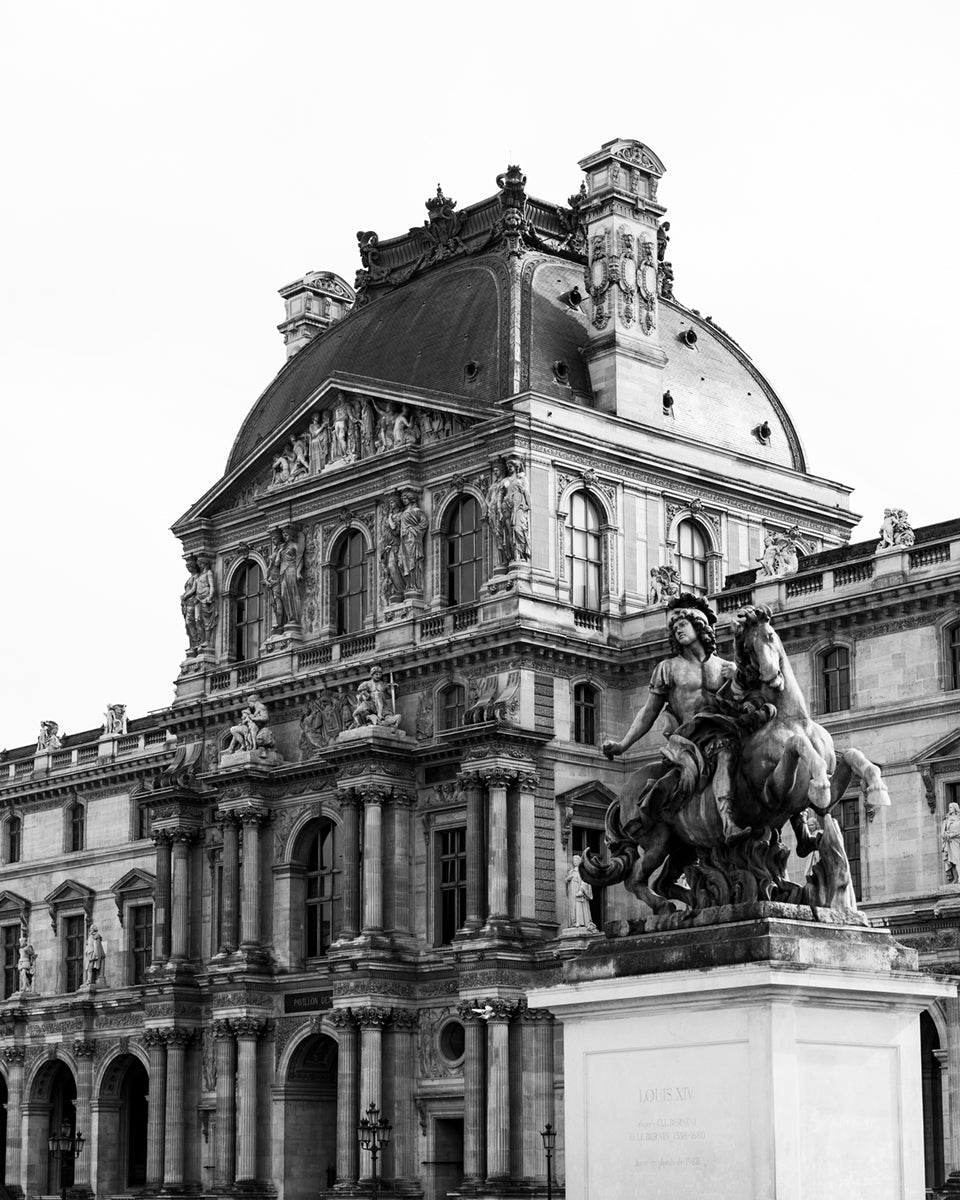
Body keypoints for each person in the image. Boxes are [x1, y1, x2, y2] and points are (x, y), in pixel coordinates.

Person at [602, 593, 750, 843]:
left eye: (683, 625)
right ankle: (727, 822)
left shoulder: (725, 666)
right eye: (675, 628)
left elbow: (745, 700)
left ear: (699, 627)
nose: (678, 631)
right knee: (725, 752)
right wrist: (622, 745)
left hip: (725, 728)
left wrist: (738, 676)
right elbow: (648, 712)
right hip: (690, 739)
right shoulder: (668, 668)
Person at [500, 456, 531, 562]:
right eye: (508, 466)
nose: (509, 468)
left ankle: (521, 554)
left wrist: (528, 506)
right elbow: (500, 496)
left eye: (511, 466)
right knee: (509, 532)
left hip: (518, 507)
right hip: (506, 507)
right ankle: (514, 555)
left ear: (516, 467)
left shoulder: (521, 479)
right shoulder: (505, 481)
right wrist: (499, 510)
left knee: (518, 529)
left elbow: (526, 493)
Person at [398, 489, 427, 591]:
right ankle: (409, 585)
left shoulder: (416, 511)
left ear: (411, 499)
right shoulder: (403, 513)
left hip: (412, 539)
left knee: (412, 562)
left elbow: (424, 524)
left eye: (406, 498)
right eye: (403, 499)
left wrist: (413, 530)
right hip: (404, 541)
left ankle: (414, 585)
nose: (404, 501)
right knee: (402, 563)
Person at [566, 855, 597, 930]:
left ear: (579, 861)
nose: (575, 862)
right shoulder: (572, 871)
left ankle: (580, 922)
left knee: (579, 906)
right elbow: (567, 881)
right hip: (572, 892)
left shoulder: (582, 871)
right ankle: (573, 922)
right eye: (574, 861)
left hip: (579, 892)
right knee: (572, 906)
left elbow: (585, 881)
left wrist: (581, 890)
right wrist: (567, 879)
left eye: (576, 860)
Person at [942, 802, 960, 883]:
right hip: (951, 842)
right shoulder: (946, 820)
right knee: (954, 860)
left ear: (955, 808)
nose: (949, 809)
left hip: (958, 840)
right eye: (949, 807)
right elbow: (942, 833)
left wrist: (955, 834)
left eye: (951, 807)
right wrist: (948, 835)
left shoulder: (959, 818)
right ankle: (957, 878)